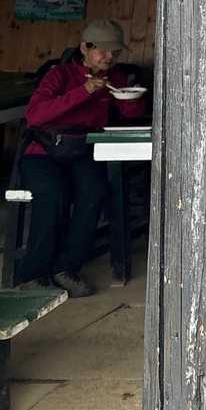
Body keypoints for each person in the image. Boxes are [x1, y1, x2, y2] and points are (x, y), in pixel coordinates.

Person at [16, 19, 147, 297]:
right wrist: (84, 91)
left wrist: (131, 97)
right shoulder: (59, 75)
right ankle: (33, 274)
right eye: (103, 51)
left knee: (94, 191)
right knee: (53, 193)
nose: (109, 57)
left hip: (82, 152)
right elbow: (35, 115)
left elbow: (130, 114)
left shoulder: (114, 78)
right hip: (44, 151)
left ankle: (66, 267)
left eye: (115, 52)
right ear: (84, 48)